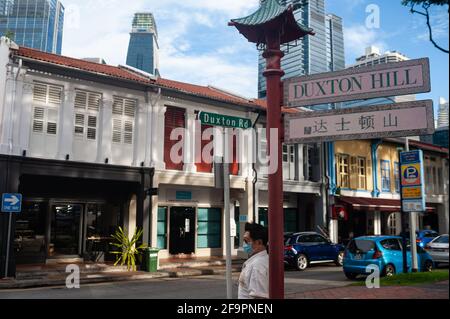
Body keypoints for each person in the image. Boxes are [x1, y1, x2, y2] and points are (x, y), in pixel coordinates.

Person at [238, 222, 269, 299]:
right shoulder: (257, 261)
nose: (244, 244)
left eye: (246, 241)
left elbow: (259, 296)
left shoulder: (257, 265)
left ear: (259, 242)